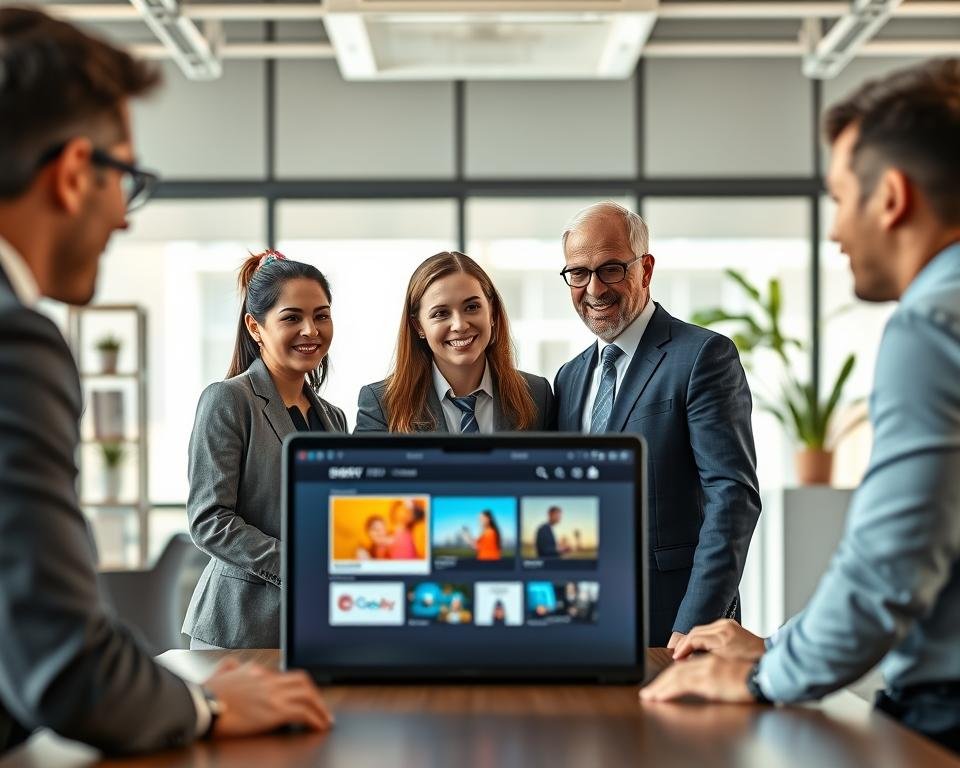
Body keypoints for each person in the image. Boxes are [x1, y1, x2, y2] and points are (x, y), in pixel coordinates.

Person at [0, 7, 331, 754]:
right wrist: (203, 704)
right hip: (234, 631)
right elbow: (64, 660)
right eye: (129, 180)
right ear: (74, 173)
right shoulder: (16, 342)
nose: (124, 219)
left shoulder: (330, 413)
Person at [641, 59, 960, 756]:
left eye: (840, 198)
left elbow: (892, 564)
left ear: (892, 198)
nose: (835, 231)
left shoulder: (933, 323)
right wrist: (778, 645)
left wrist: (762, 675)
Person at [552, 201, 761, 648]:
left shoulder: (702, 356)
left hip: (673, 624)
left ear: (645, 270)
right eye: (579, 273)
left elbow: (732, 498)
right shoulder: (569, 377)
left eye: (611, 269)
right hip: (584, 621)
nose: (594, 288)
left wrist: (694, 624)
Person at [183, 249, 347, 650]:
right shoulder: (228, 399)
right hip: (238, 628)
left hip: (314, 626)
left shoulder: (334, 417)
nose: (310, 330)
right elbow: (209, 520)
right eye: (292, 318)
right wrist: (296, 566)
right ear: (255, 327)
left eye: (321, 316)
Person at [355, 251, 553, 433]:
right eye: (441, 313)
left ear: (492, 312)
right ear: (418, 326)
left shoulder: (537, 395)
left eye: (472, 307)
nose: (459, 325)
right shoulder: (382, 405)